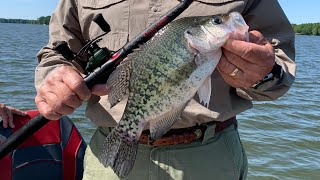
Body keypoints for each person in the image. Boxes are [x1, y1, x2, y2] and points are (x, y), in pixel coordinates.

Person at [34, 0, 296, 179]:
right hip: (107, 156)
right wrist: (54, 79)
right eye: (218, 22)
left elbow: (280, 64)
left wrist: (264, 73)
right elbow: (58, 52)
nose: (226, 23)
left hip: (209, 157)